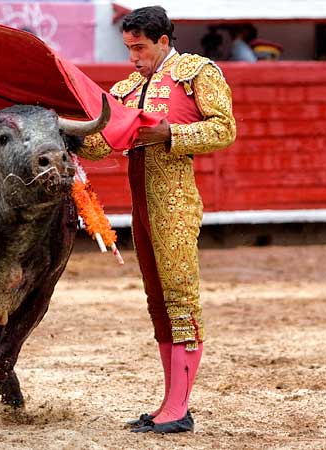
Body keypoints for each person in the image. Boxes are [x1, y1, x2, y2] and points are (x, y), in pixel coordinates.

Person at [77, 6, 236, 433]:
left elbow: (224, 129)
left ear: (163, 41)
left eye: (140, 48)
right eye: (128, 48)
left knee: (180, 300)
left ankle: (178, 409)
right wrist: (65, 130)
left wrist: (171, 133)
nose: (133, 57)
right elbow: (99, 144)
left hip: (176, 205)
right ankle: (169, 404)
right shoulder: (127, 88)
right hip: (142, 208)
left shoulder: (196, 72)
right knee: (159, 303)